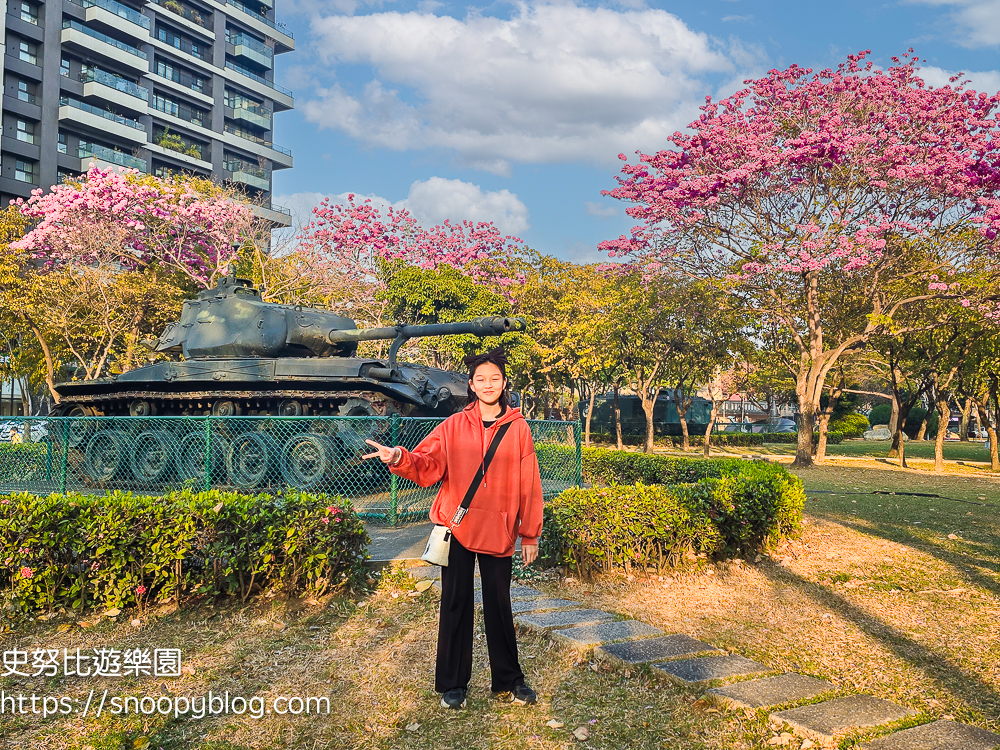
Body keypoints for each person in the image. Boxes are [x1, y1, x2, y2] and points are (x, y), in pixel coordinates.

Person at [363, 346, 543, 710]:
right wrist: (399, 457)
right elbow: (426, 463)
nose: (488, 384)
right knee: (455, 603)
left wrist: (530, 532)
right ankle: (453, 684)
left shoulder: (519, 428)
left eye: (494, 379)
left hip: (499, 529)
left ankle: (509, 679)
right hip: (457, 529)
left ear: (504, 383)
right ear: (472, 386)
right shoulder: (453, 425)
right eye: (481, 380)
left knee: (499, 606)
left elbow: (530, 482)